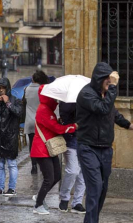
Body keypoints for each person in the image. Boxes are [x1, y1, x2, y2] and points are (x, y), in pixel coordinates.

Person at [76, 62, 133, 223]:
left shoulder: (105, 95)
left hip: (105, 149)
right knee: (94, 187)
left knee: (102, 190)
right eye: (107, 81)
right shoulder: (87, 94)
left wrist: (129, 125)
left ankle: (94, 220)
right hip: (88, 147)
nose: (110, 84)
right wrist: (113, 88)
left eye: (111, 82)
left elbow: (112, 113)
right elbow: (102, 109)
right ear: (98, 79)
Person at [30, 85, 77, 215]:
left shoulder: (47, 109)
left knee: (56, 176)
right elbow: (55, 128)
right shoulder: (43, 109)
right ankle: (38, 204)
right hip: (42, 150)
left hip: (49, 149)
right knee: (49, 178)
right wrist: (72, 126)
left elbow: (50, 125)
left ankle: (39, 196)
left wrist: (58, 121)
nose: (56, 101)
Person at [58, 102, 86, 214]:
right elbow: (65, 113)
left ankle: (77, 202)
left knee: (83, 173)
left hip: (86, 140)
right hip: (71, 139)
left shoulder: (87, 97)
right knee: (73, 170)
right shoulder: (67, 99)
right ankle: (64, 198)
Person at [23, 70, 50, 175]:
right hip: (41, 121)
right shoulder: (43, 90)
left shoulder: (26, 89)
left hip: (30, 120)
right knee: (43, 143)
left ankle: (33, 165)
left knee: (32, 144)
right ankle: (42, 165)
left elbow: (24, 102)